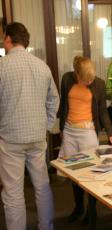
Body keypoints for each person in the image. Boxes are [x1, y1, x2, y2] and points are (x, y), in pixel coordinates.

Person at [0, 22, 59, 230]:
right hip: (37, 135)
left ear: (8, 38)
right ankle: (47, 227)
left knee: (13, 192)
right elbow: (54, 99)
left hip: (10, 138)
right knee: (42, 186)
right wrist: (47, 125)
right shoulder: (42, 66)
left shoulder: (2, 66)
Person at [59, 56, 112, 223]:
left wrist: (111, 134)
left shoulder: (99, 84)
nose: (89, 82)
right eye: (85, 79)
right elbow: (63, 103)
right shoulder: (66, 79)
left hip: (87, 132)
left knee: (90, 172)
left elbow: (102, 111)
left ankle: (90, 211)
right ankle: (78, 207)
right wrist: (61, 128)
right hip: (70, 131)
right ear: (76, 74)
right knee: (72, 171)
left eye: (91, 79)